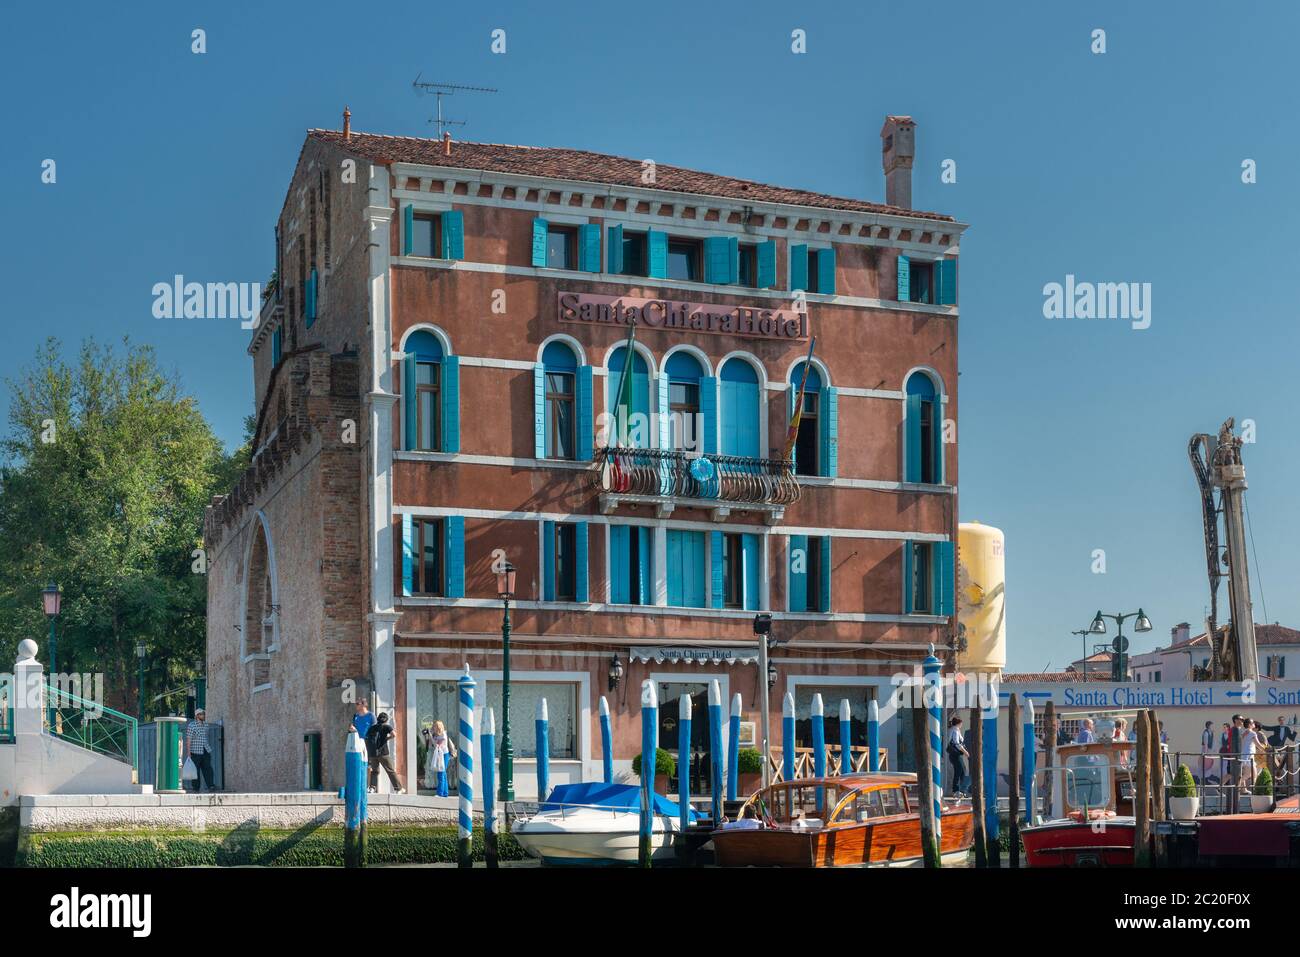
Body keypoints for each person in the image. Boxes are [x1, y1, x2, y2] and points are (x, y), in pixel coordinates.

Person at [365, 712, 404, 794]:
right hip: (383, 753)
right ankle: (398, 789)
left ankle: (372, 788)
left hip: (373, 754)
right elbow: (394, 734)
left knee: (374, 771)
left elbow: (367, 739)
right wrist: (387, 738)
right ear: (386, 720)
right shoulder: (386, 726)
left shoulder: (372, 728)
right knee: (390, 770)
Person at [184, 708, 216, 793]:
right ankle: (196, 788)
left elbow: (205, 737)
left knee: (208, 768)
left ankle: (211, 785)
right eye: (201, 714)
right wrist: (188, 753)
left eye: (203, 714)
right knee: (195, 770)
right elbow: (188, 739)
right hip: (195, 751)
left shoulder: (206, 725)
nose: (203, 715)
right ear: (197, 715)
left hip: (205, 749)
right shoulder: (191, 725)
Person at [427, 719, 455, 797]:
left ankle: (440, 793)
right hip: (439, 755)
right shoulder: (435, 735)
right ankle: (445, 793)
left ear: (438, 727)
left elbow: (437, 745)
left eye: (435, 726)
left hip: (444, 755)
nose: (433, 728)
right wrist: (430, 735)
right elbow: (431, 745)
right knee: (443, 774)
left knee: (441, 773)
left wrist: (431, 736)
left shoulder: (443, 735)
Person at [945, 715, 970, 796]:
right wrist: (965, 752)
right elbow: (957, 743)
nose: (962, 725)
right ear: (958, 723)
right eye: (961, 723)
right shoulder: (955, 730)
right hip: (955, 754)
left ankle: (961, 790)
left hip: (956, 754)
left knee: (962, 770)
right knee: (959, 771)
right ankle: (956, 790)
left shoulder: (955, 730)